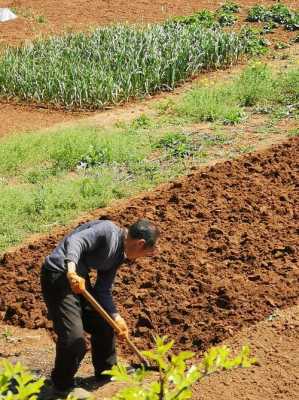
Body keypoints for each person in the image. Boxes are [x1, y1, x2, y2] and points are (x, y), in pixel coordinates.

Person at [40, 218, 159, 398]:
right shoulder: (107, 231)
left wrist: (117, 318)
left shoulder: (119, 255)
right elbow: (75, 241)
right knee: (74, 339)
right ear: (140, 243)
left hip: (79, 280)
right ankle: (61, 387)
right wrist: (71, 270)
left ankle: (106, 373)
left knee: (106, 324)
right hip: (58, 275)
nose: (140, 258)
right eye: (145, 253)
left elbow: (103, 289)